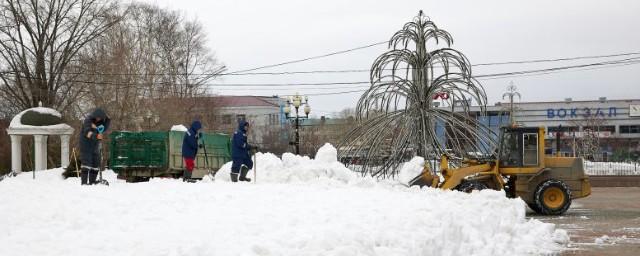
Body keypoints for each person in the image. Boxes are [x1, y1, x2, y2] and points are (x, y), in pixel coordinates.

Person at [79, 108, 110, 185]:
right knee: (86, 163)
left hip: (95, 145)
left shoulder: (101, 122)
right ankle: (84, 183)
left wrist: (108, 119)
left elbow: (104, 127)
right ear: (94, 116)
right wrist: (96, 136)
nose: (98, 119)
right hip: (86, 145)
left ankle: (92, 182)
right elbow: (87, 132)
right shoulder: (88, 120)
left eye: (100, 118)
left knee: (96, 164)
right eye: (97, 117)